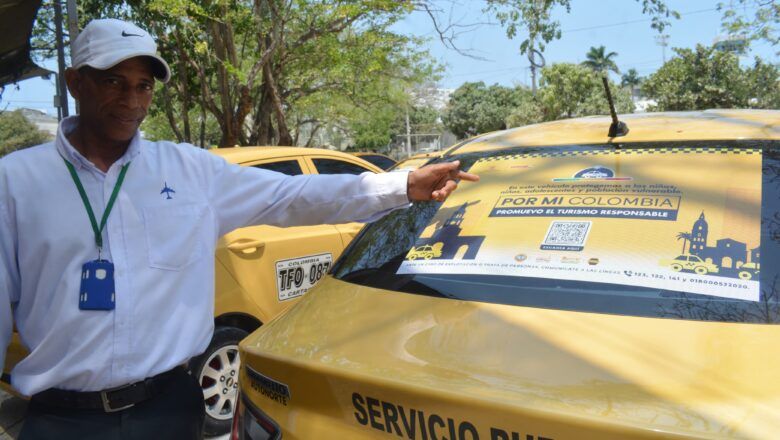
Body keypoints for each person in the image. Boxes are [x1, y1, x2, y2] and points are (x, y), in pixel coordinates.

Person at [0, 18, 477, 440]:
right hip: (60, 421)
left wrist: (403, 186)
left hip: (171, 411)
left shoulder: (188, 171)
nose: (132, 100)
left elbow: (292, 196)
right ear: (75, 82)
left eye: (143, 85)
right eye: (113, 82)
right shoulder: (16, 182)